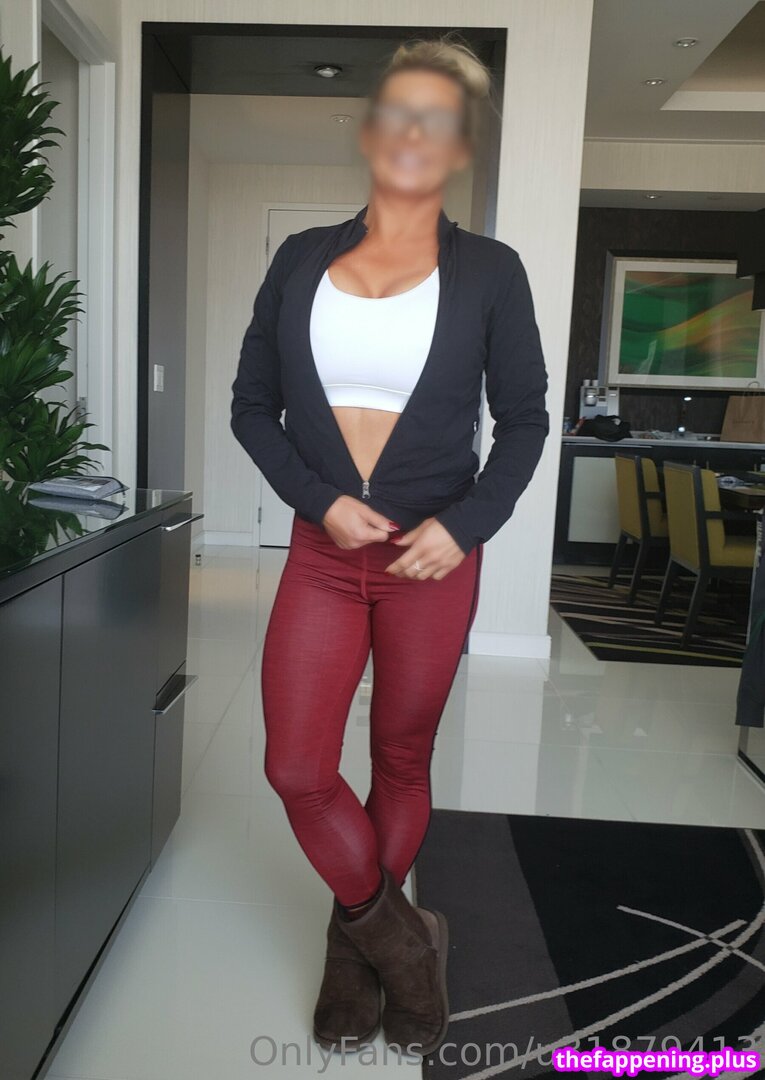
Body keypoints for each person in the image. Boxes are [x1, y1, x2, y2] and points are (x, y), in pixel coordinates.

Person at [230, 33, 549, 1058]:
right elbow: (251, 407)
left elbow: (527, 422)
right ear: (371, 131)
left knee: (401, 756)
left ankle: (349, 950)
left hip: (431, 560)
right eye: (400, 110)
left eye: (439, 119)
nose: (415, 132)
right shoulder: (300, 258)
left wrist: (465, 524)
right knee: (296, 767)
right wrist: (319, 500)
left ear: (458, 147)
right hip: (324, 556)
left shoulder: (491, 272)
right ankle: (408, 948)